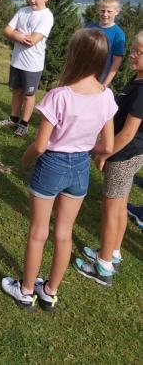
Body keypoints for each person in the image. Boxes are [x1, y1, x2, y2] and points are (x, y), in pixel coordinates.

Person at [1, 29, 118, 312]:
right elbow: (109, 144)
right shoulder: (106, 96)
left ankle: (26, 290)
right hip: (80, 168)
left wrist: (23, 161)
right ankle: (50, 292)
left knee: (38, 232)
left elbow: (40, 145)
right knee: (64, 234)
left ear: (75, 56)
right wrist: (89, 150)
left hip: (51, 164)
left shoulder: (59, 95)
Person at [74, 31, 143, 285]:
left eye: (139, 53)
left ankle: (102, 268)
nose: (133, 55)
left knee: (111, 209)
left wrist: (104, 153)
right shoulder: (137, 82)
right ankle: (112, 252)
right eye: (134, 50)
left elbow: (126, 134)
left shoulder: (142, 92)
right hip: (128, 155)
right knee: (120, 206)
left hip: (123, 155)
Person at [0, 0, 54, 137]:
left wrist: (15, 34)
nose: (33, 1)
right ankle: (13, 119)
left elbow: (33, 40)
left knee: (28, 95)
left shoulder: (47, 16)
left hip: (32, 64)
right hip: (17, 60)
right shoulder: (22, 11)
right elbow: (6, 30)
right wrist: (19, 35)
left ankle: (24, 124)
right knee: (16, 91)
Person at [87, 0, 125, 87]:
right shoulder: (90, 28)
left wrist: (105, 83)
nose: (105, 14)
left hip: (101, 80)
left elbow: (117, 61)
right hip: (84, 74)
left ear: (117, 12)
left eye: (109, 11)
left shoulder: (118, 34)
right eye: (102, 11)